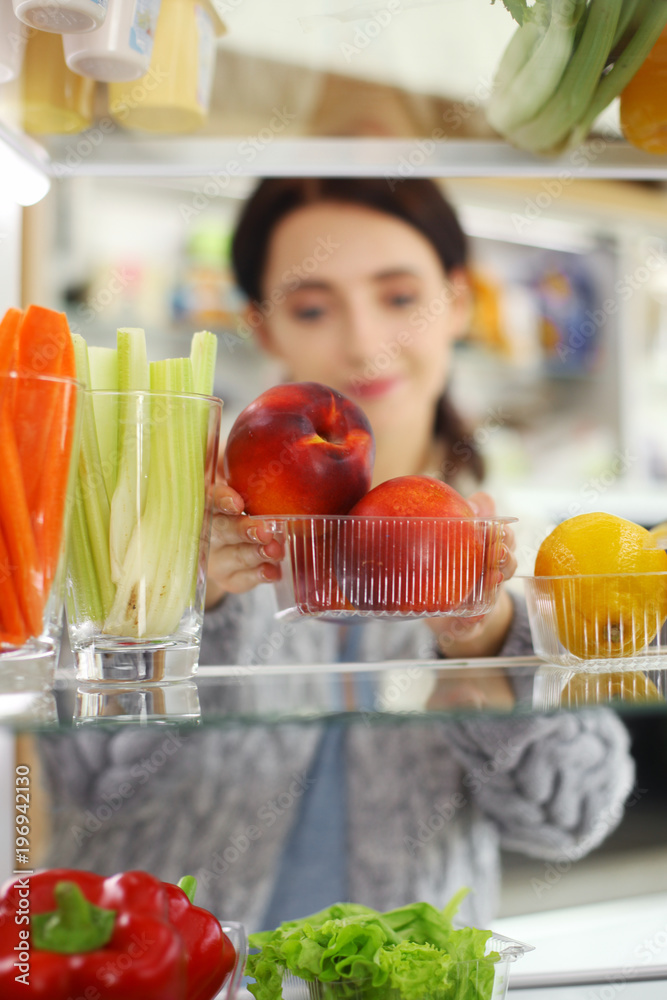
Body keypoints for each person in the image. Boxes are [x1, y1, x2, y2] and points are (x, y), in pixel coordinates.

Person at [39, 179, 635, 935]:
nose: (363, 342)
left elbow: (572, 816)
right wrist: (187, 606)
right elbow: (82, 788)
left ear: (456, 303)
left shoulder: (519, 549)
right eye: (312, 306)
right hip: (169, 976)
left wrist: (488, 640)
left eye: (398, 297)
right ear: (261, 325)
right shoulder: (171, 525)